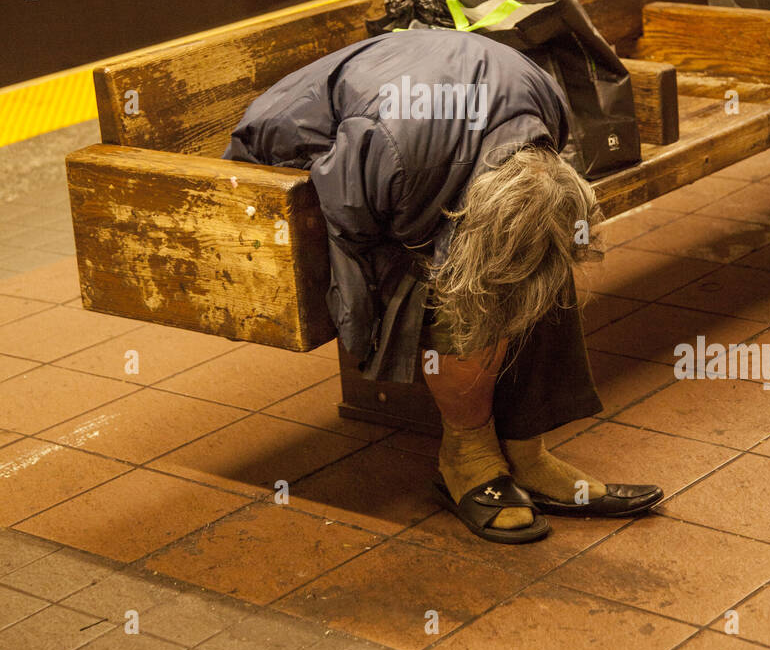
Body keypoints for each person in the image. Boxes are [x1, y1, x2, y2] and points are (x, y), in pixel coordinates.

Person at [223, 29, 662, 545]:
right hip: (289, 162)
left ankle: (526, 452)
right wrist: (369, 334)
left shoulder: (544, 99)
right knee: (454, 289)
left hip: (413, 150)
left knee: (538, 256)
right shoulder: (389, 152)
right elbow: (355, 240)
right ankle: (468, 456)